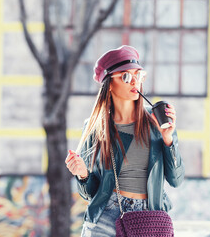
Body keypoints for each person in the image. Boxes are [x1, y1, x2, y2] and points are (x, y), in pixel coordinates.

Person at [65, 45, 185, 236]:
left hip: (148, 218)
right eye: (126, 76)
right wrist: (82, 174)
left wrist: (168, 139)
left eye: (139, 75)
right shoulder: (95, 127)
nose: (134, 82)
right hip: (105, 216)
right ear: (109, 84)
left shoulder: (157, 122)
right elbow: (90, 193)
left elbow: (176, 180)